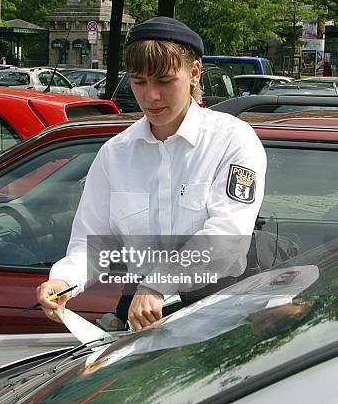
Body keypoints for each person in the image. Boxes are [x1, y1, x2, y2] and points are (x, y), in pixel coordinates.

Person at [36, 16, 267, 331]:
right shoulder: (116, 154)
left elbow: (227, 238)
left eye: (163, 81)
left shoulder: (232, 140)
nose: (150, 96)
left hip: (221, 319)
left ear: (194, 73)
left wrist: (158, 283)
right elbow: (94, 244)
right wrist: (65, 281)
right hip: (141, 316)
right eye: (139, 81)